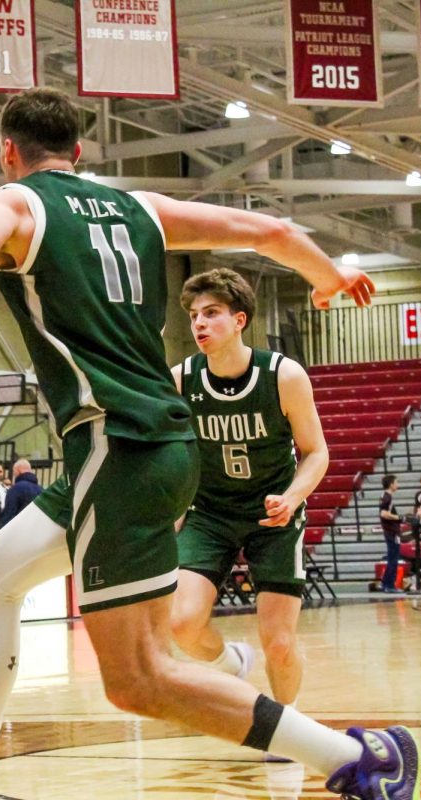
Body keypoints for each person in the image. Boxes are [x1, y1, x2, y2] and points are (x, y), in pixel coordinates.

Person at [0, 88, 413, 800]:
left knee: (138, 680)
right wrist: (330, 276)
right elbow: (272, 231)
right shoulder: (142, 208)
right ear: (80, 152)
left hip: (119, 444)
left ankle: (358, 755)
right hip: (147, 444)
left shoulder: (8, 204)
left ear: (7, 151)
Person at [169, 268, 329, 713]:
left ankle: (288, 723)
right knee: (180, 623)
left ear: (240, 320)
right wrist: (171, 522)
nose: (199, 323)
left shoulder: (283, 375)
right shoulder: (181, 378)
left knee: (278, 643)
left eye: (212, 313)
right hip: (210, 512)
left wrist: (292, 498)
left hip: (272, 514)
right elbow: (174, 457)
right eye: (195, 315)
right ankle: (229, 664)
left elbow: (316, 452)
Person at [378, 475, 404, 593]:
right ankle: (390, 585)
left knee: (392, 557)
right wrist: (398, 517)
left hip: (391, 530)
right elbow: (383, 513)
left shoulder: (387, 497)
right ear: (391, 484)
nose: (398, 485)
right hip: (391, 531)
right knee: (393, 557)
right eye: (396, 482)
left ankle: (385, 583)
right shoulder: (387, 497)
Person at [0, 458, 40, 526]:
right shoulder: (41, 490)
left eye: (14, 472)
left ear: (18, 471)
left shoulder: (15, 489)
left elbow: (9, 515)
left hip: (19, 530)